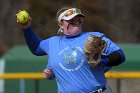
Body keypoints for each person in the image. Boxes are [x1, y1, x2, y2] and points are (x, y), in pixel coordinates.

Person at [18, 7, 125, 93]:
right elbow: (36, 48)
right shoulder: (53, 42)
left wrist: (103, 61)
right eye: (71, 19)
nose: (77, 21)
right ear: (60, 24)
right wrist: (26, 28)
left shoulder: (93, 37)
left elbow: (120, 55)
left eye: (79, 18)